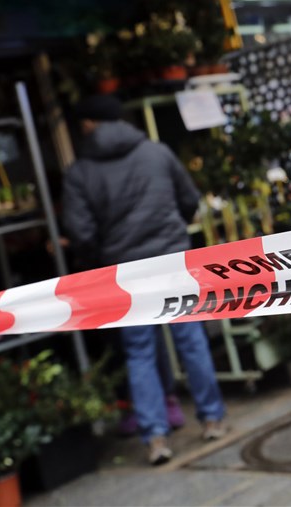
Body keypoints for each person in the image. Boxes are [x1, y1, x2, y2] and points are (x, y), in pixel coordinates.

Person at [62, 94, 226, 465]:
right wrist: (172, 233)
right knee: (191, 336)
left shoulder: (80, 172)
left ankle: (155, 438)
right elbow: (189, 199)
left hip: (124, 271)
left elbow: (81, 231)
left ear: (89, 124)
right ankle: (212, 418)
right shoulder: (156, 152)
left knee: (139, 352)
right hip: (171, 258)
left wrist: (97, 258)